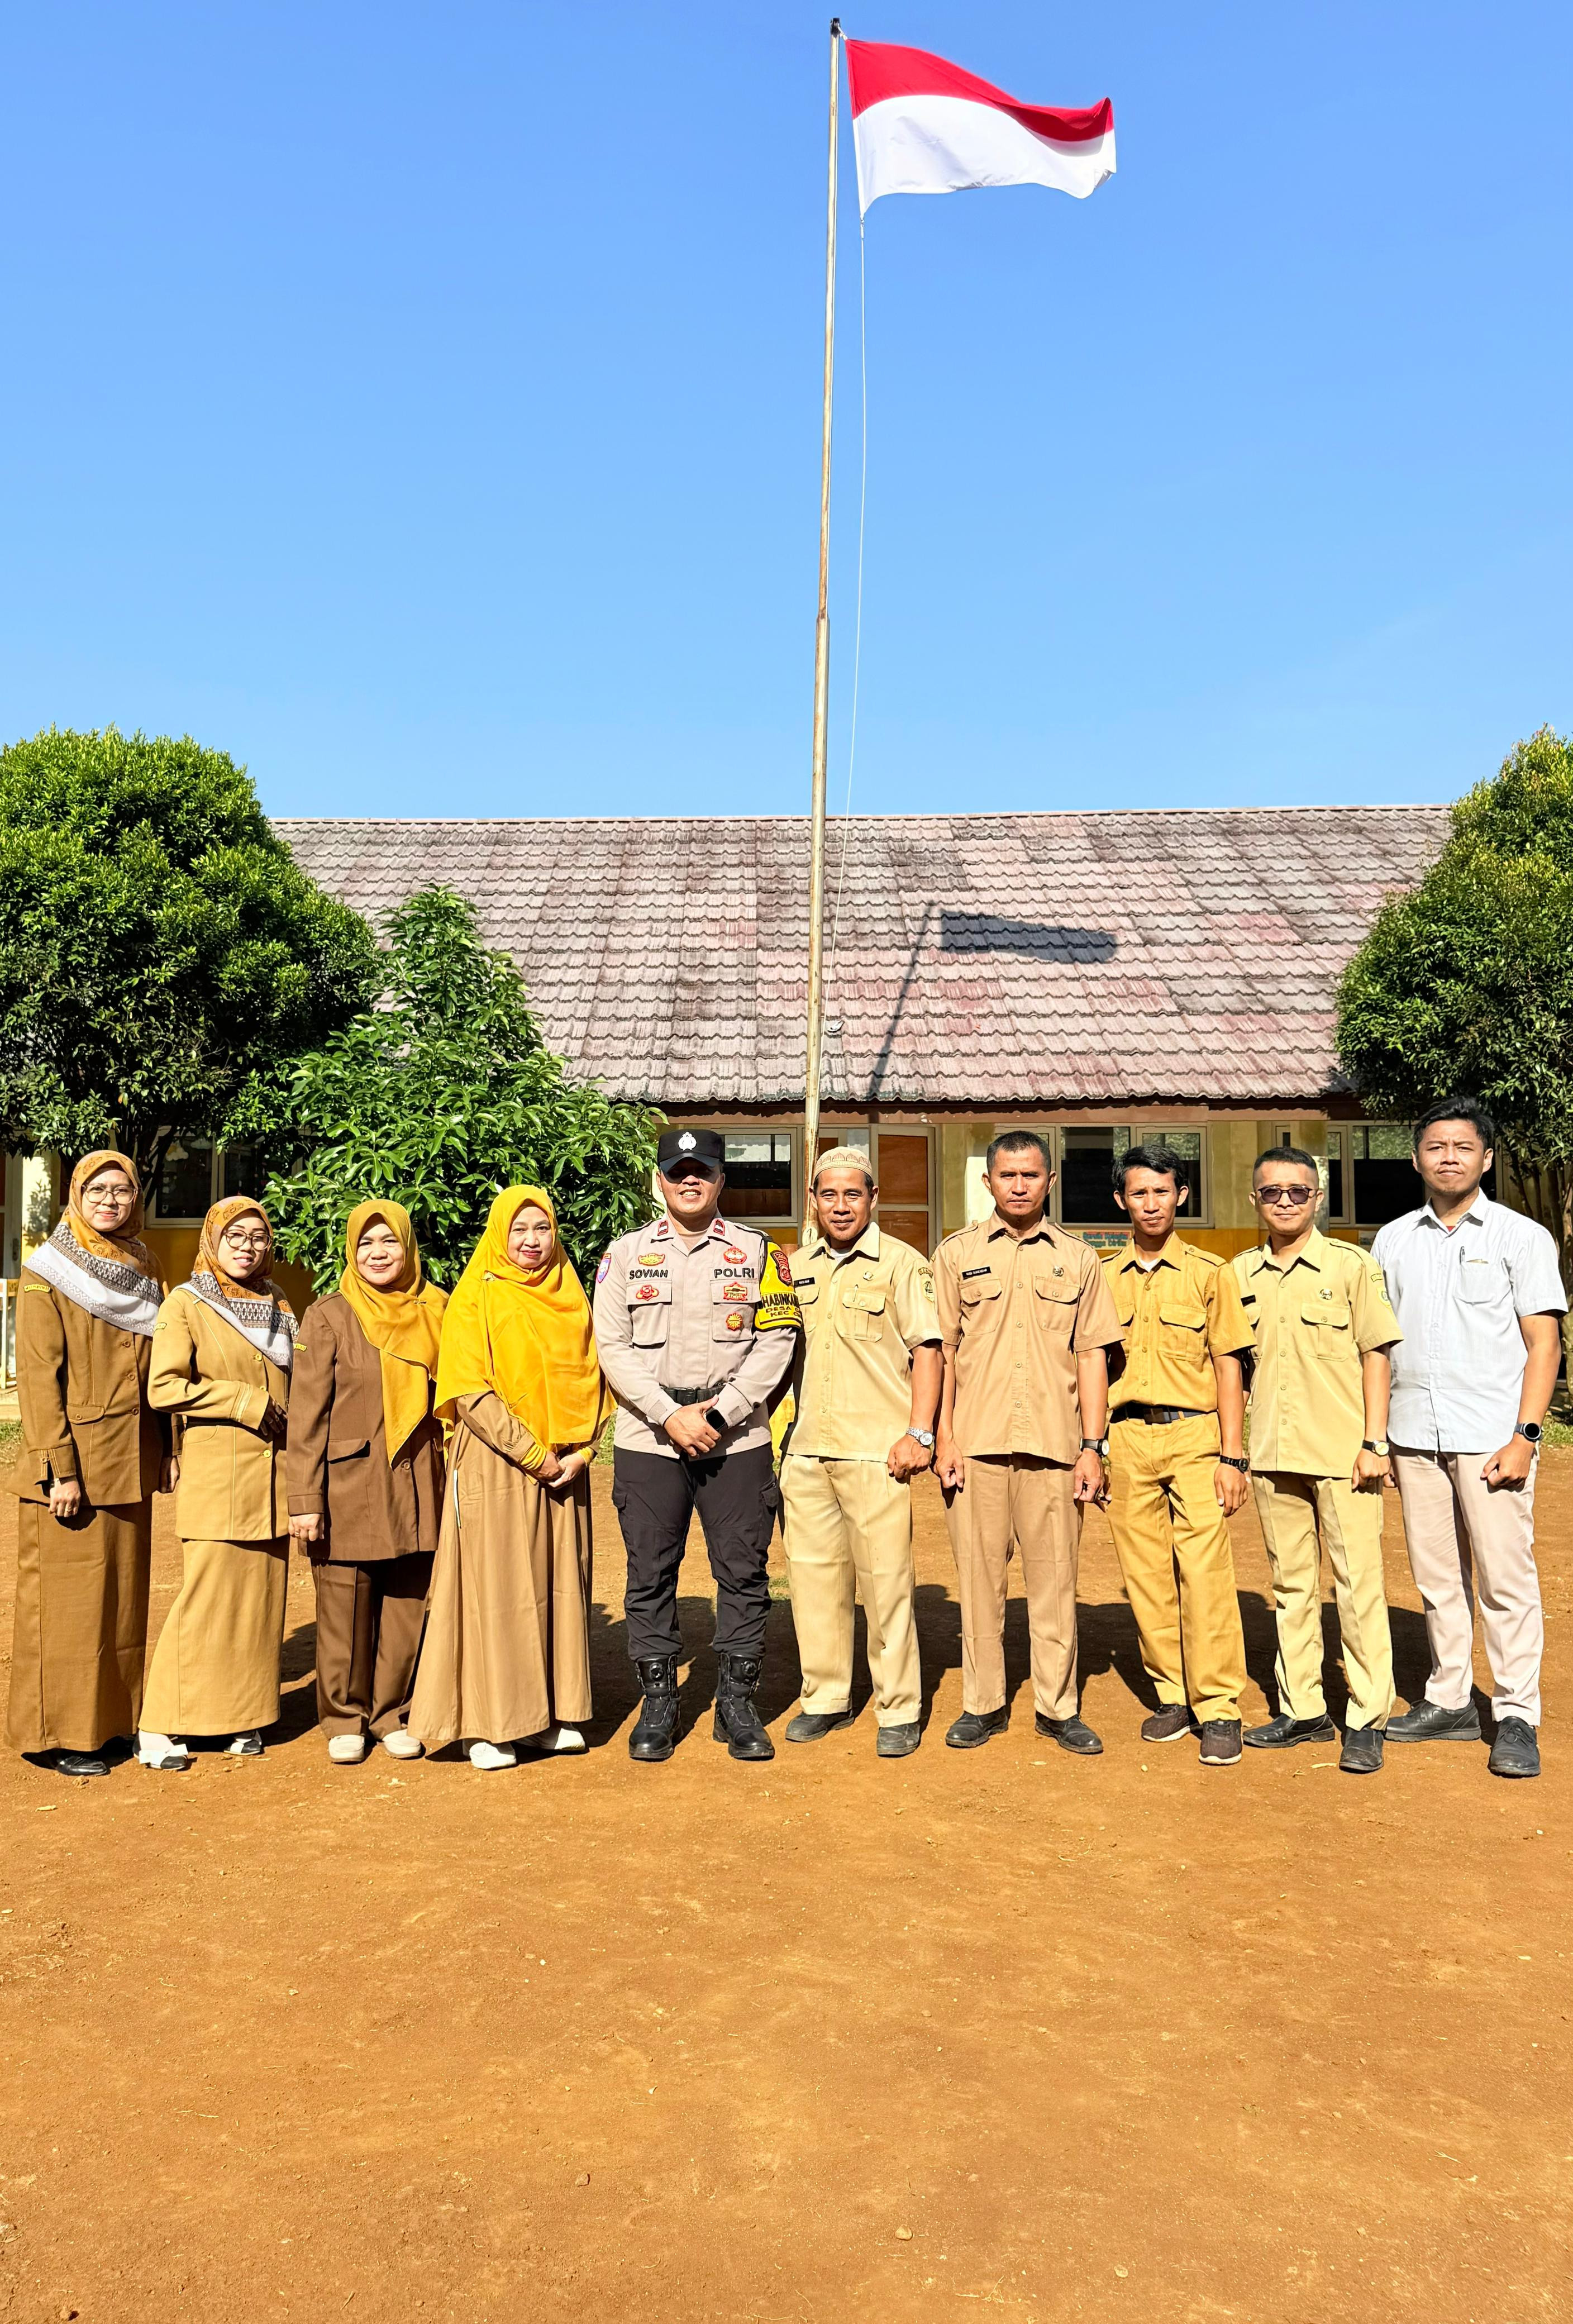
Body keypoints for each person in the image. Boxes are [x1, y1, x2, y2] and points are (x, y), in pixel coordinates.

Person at [1372, 1099, 1566, 1779]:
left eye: (1462, 1146)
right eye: (1434, 1145)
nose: (1447, 1156)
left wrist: (1525, 1434)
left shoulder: (1520, 1236)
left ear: (1485, 1158)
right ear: (1417, 1158)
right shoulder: (1392, 1239)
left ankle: (1516, 1713)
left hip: (1491, 1439)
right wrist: (1379, 1439)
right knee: (1435, 1577)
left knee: (1505, 1579)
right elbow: (1378, 1345)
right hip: (1412, 1437)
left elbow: (1543, 1342)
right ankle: (1449, 1698)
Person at [593, 1127, 799, 1764]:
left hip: (735, 1436)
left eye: (702, 1170)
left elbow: (777, 1341)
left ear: (720, 1180)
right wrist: (668, 1414)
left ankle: (737, 1702)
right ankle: (659, 1699)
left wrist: (726, 1409)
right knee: (650, 1569)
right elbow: (612, 1346)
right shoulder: (625, 1254)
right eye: (677, 1170)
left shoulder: (760, 1251)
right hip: (648, 1437)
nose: (690, 1180)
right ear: (659, 1180)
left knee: (742, 1569)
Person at [408, 1187, 612, 1770]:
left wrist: (585, 1449)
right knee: (497, 1593)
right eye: (519, 1228)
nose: (530, 1240)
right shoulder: (477, 1294)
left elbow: (596, 1376)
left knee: (556, 1587)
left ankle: (549, 1715)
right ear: (500, 1232)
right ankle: (488, 1724)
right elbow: (468, 1387)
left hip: (564, 1464)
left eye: (541, 1228)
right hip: (499, 1462)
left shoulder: (568, 1291)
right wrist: (534, 1454)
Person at [932, 1131, 1122, 1756]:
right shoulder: (955, 1254)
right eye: (1007, 1175)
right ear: (987, 1182)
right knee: (979, 1584)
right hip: (976, 1447)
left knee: (1054, 1583)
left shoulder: (1079, 1258)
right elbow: (943, 1353)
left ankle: (1056, 1706)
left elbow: (1092, 1355)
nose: (1019, 1185)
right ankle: (981, 1703)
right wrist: (944, 1437)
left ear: (1050, 1181)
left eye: (1031, 1175)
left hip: (1054, 1447)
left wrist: (1092, 1445)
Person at [1232, 1147, 1402, 1775]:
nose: (1283, 1201)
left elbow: (1376, 1355)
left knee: (1358, 1586)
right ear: (1254, 1199)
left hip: (1343, 1454)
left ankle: (1365, 1716)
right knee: (1290, 1585)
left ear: (1316, 1197)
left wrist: (1374, 1443)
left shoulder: (1351, 1266)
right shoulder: (1240, 1274)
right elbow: (1235, 1367)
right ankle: (1302, 1708)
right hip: (1275, 1453)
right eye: (1271, 1191)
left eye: (1296, 1191)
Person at [6, 1153, 176, 1778]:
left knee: (122, 1605)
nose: (111, 1199)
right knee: (70, 1607)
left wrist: (169, 1447)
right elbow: (39, 1381)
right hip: (75, 1464)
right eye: (98, 1189)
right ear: (75, 1194)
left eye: (123, 1188)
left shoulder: (143, 1263)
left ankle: (111, 1722)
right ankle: (62, 1734)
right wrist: (59, 1469)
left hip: (131, 1457)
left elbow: (161, 1365)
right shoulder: (47, 1269)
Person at [779, 1147, 942, 1759]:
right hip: (806, 1451)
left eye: (853, 1193)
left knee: (885, 1584)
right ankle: (824, 1697)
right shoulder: (792, 1267)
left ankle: (898, 1706)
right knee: (813, 1581)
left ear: (873, 1198)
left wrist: (918, 1433)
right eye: (828, 1194)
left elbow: (928, 1350)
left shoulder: (902, 1264)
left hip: (879, 1452)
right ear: (813, 1200)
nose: (840, 1205)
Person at [1102, 1142, 1255, 1768]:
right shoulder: (1102, 1277)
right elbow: (1088, 1366)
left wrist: (1232, 1454)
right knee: (1144, 1573)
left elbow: (1229, 1365)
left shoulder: (1209, 1272)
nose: (1150, 1203)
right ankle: (1171, 1693)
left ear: (1181, 1195)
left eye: (1161, 1191)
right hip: (1128, 1437)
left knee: (1205, 1573)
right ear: (1120, 1200)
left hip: (1195, 1437)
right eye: (1138, 1192)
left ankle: (1217, 1704)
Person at [286, 1201, 447, 1764]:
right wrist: (304, 1501)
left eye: (390, 1242)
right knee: (344, 1603)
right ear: (351, 1251)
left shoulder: (438, 1308)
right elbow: (305, 1416)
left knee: (407, 1601)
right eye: (366, 1244)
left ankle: (390, 1713)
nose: (378, 1253)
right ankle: (343, 1716)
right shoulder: (328, 1315)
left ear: (409, 1247)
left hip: (417, 1477)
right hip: (347, 1484)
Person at [142, 1197, 296, 1768]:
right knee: (205, 1600)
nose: (248, 1246)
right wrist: (240, 1399)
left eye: (258, 1236)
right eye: (236, 1235)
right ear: (213, 1238)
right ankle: (160, 1726)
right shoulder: (186, 1302)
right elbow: (164, 1387)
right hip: (218, 1471)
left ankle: (239, 1718)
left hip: (274, 1474)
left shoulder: (276, 1300)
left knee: (257, 1602)